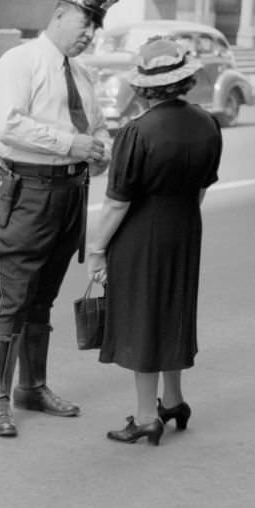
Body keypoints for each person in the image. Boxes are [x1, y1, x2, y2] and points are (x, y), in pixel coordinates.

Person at [0, 0, 118, 438]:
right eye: (85, 24)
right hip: (24, 191)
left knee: (43, 297)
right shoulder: (20, 62)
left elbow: (97, 128)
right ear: (60, 16)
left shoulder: (83, 75)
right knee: (12, 299)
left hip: (68, 194)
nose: (89, 36)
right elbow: (9, 124)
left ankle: (32, 388)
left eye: (95, 29)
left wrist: (100, 153)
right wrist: (70, 144)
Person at [86, 37, 224, 446]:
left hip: (141, 236)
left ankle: (147, 416)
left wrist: (97, 251)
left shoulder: (136, 132)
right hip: (185, 228)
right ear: (184, 79)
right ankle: (175, 401)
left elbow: (116, 203)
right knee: (173, 312)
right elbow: (201, 189)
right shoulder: (207, 123)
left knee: (142, 319)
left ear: (144, 86)